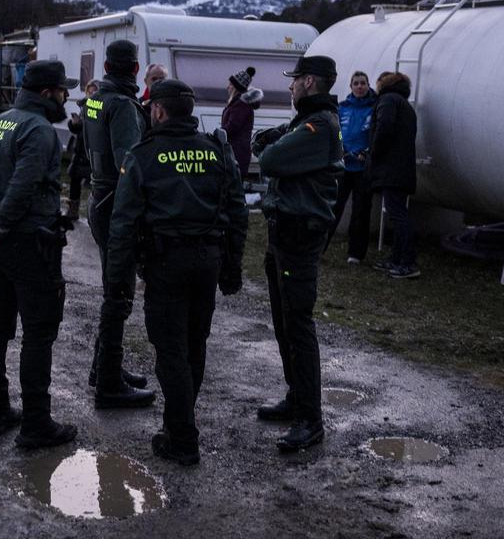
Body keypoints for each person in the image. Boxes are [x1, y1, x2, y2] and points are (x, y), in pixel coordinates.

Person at [106, 78, 249, 465]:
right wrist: (232, 266)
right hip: (207, 262)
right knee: (194, 346)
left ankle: (183, 437)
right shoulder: (216, 150)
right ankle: (176, 423)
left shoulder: (143, 154)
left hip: (166, 264)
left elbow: (122, 224)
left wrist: (116, 282)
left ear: (158, 111)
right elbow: (237, 211)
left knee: (170, 352)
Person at [0, 59, 79, 448]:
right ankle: (36, 424)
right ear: (48, 93)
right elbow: (23, 185)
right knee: (38, 333)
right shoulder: (40, 131)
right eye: (64, 90)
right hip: (30, 244)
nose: (67, 96)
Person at [251, 55, 343, 452]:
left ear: (310, 82)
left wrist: (275, 146)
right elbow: (269, 146)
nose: (289, 86)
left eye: (295, 80)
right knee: (283, 320)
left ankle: (310, 418)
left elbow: (269, 159)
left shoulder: (318, 124)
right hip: (283, 232)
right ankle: (296, 397)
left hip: (299, 236)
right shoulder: (305, 122)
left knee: (298, 325)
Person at [81, 39, 155, 408]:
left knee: (114, 287)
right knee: (119, 294)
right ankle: (108, 382)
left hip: (99, 199)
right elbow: (131, 165)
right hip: (116, 206)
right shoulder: (124, 105)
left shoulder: (96, 98)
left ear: (107, 67)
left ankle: (104, 366)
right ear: (137, 70)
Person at [370, 71, 419, 279]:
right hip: (402, 167)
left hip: (392, 168)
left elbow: (384, 128)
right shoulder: (405, 105)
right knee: (398, 214)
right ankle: (397, 259)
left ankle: (408, 262)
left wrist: (374, 153)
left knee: (398, 216)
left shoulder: (388, 100)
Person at [330, 71, 377, 264]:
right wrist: (341, 147)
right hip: (343, 166)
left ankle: (355, 254)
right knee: (333, 207)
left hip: (363, 169)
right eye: (356, 83)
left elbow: (376, 135)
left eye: (363, 83)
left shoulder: (374, 108)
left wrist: (365, 152)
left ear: (368, 86)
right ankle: (318, 247)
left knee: (361, 211)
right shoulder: (342, 108)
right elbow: (338, 132)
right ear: (350, 86)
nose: (359, 86)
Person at [65, 79, 98, 221]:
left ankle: (95, 214)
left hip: (92, 151)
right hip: (80, 150)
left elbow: (95, 127)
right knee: (74, 180)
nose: (91, 94)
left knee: (95, 185)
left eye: (94, 91)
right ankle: (73, 211)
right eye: (89, 91)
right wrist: (74, 123)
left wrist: (81, 124)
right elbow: (77, 129)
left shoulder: (101, 107)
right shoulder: (84, 105)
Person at [220, 66, 262, 175]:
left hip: (236, 153)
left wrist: (218, 134)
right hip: (236, 151)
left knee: (233, 183)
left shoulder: (241, 105)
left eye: (230, 84)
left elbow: (232, 127)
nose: (227, 87)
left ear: (235, 87)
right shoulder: (238, 103)